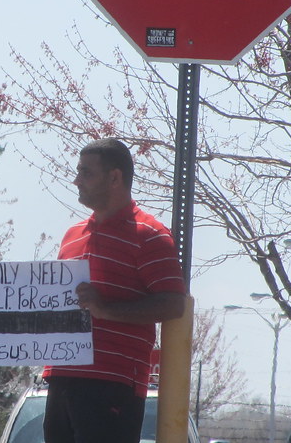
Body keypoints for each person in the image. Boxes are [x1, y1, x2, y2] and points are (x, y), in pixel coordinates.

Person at [42, 138, 187, 443]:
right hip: (61, 379)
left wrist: (106, 308)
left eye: (86, 172)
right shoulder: (71, 236)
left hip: (112, 385)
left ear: (114, 177)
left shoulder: (150, 235)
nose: (76, 180)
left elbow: (173, 304)